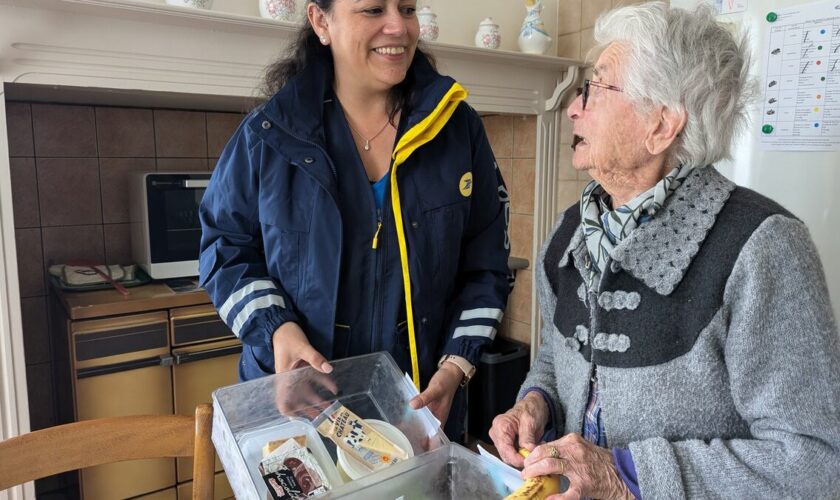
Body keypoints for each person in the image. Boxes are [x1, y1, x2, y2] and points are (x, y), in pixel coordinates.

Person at [488, 2, 840, 498]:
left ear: (661, 124)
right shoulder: (571, 232)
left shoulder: (764, 247)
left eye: (595, 87)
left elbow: (816, 461)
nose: (572, 106)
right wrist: (535, 402)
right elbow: (555, 356)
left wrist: (626, 475)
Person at [198, 0, 511, 442]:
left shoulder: (458, 130)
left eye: (406, 8)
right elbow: (224, 252)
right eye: (372, 9)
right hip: (294, 411)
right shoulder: (267, 136)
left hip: (416, 415)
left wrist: (457, 365)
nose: (398, 27)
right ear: (320, 21)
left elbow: (487, 266)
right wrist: (278, 331)